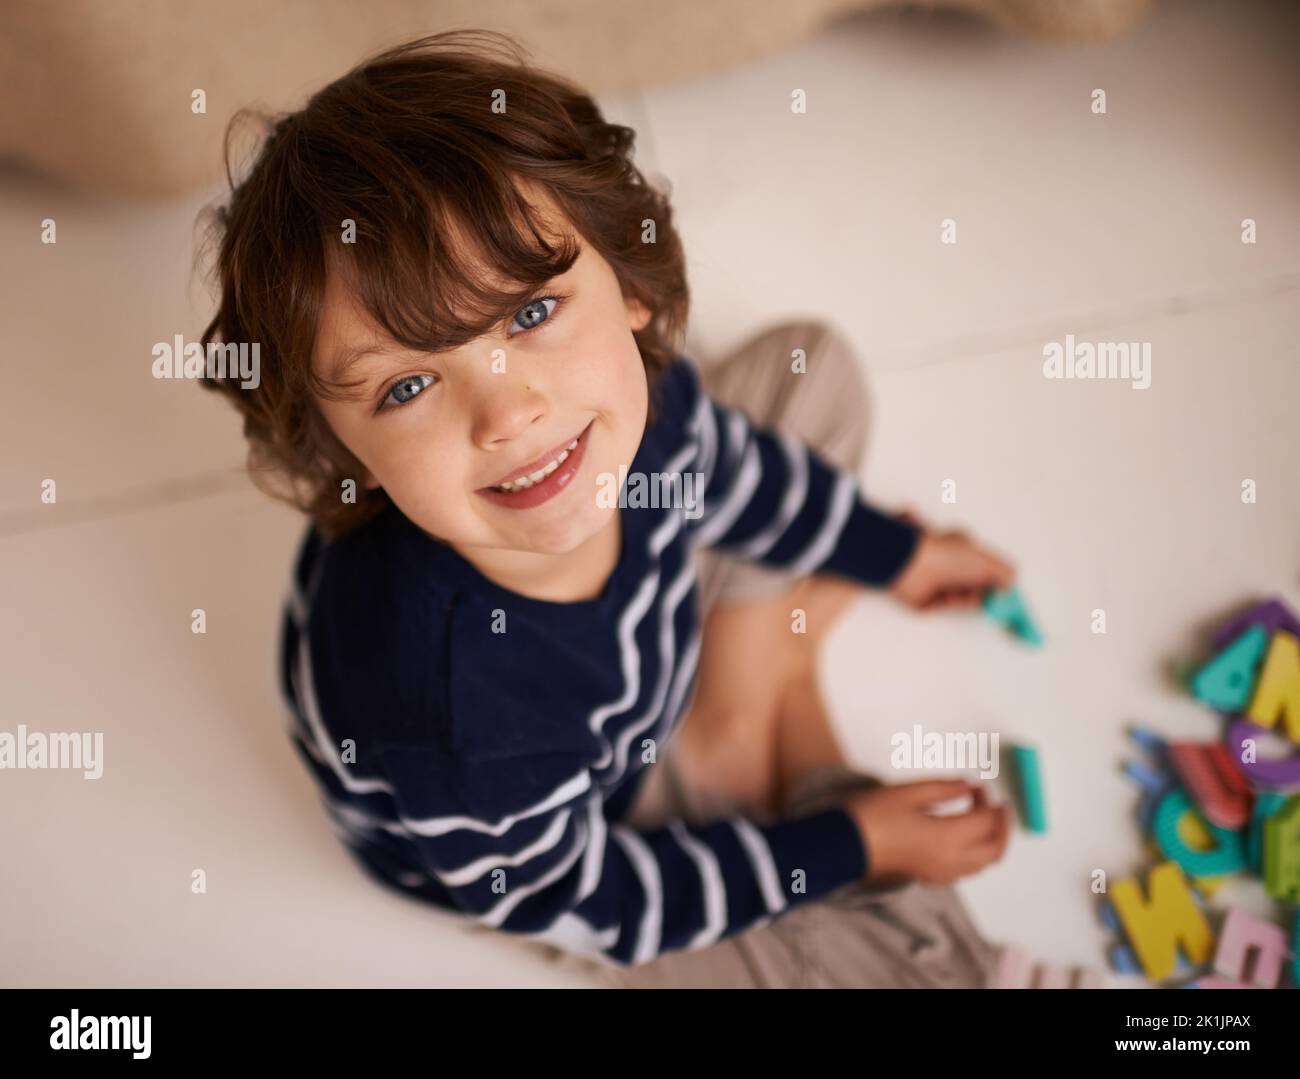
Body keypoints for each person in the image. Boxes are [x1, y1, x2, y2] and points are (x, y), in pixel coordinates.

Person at [198, 28, 1018, 988]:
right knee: (860, 954)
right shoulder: (451, 717)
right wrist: (854, 843)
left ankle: (739, 702)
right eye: (408, 389)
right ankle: (764, 702)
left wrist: (897, 556)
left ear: (629, 280)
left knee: (811, 371)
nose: (511, 414)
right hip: (578, 819)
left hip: (644, 661)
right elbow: (593, 902)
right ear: (345, 455)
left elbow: (745, 478)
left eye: (532, 314)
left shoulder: (645, 418)